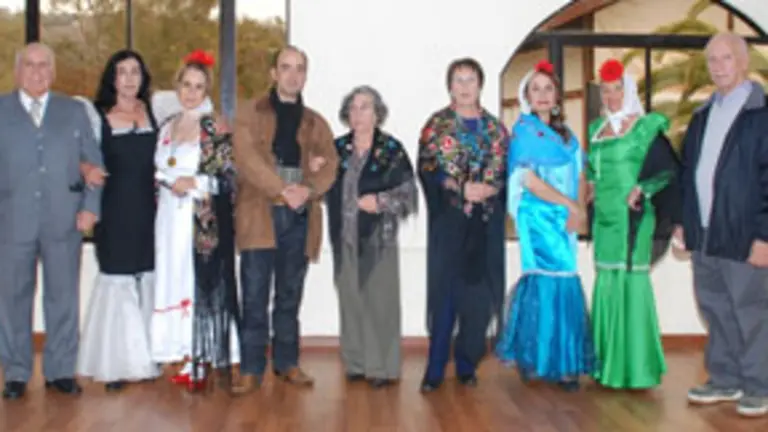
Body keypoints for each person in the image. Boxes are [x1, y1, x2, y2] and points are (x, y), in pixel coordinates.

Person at [0, 43, 104, 400]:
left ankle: (60, 370)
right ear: (18, 70)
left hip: (65, 221)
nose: (37, 71)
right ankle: (15, 372)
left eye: (45, 65)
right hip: (12, 224)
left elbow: (94, 161)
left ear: (54, 71)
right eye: (30, 65)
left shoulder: (73, 112)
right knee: (13, 300)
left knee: (63, 298)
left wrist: (91, 207)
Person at [233, 45, 339, 392]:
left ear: (305, 75)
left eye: (300, 68)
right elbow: (246, 159)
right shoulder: (249, 113)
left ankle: (287, 362)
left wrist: (306, 190)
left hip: (300, 216)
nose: (293, 75)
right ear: (273, 73)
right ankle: (250, 368)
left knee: (290, 294)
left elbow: (331, 165)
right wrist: (283, 188)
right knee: (254, 294)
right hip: (260, 214)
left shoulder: (316, 122)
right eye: (286, 67)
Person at [676, 33, 768, 417]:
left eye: (726, 58)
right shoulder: (701, 116)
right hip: (706, 233)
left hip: (745, 235)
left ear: (743, 61)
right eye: (712, 59)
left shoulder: (761, 115)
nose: (718, 66)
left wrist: (764, 236)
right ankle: (725, 378)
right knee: (714, 307)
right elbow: (688, 174)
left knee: (751, 310)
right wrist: (684, 224)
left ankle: (760, 385)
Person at [495, 60, 595, 391]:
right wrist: (569, 205)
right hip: (538, 215)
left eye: (548, 88)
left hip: (565, 216)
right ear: (526, 95)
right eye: (535, 89)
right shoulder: (524, 132)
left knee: (565, 279)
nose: (542, 94)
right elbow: (528, 180)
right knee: (545, 279)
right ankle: (538, 359)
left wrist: (579, 208)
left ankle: (561, 360)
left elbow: (581, 174)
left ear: (556, 97)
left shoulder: (568, 137)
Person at [586, 58, 680, 390]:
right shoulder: (595, 131)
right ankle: (607, 366)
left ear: (629, 91)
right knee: (608, 281)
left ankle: (636, 369)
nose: (611, 97)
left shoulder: (646, 127)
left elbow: (668, 169)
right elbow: (593, 175)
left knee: (632, 282)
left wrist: (643, 188)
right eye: (606, 91)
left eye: (617, 90)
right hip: (605, 220)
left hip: (634, 217)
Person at [150, 50, 240, 393]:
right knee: (173, 279)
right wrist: (166, 180)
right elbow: (157, 169)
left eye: (198, 87)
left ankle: (201, 357)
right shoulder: (168, 127)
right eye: (186, 85)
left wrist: (195, 184)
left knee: (196, 283)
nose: (191, 92)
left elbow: (228, 176)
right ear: (177, 87)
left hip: (199, 219)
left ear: (207, 91)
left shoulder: (213, 126)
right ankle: (183, 354)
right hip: (168, 218)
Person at [417, 57, 507, 392]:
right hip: (450, 227)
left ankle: (468, 364)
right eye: (459, 80)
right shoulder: (436, 126)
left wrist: (491, 189)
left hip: (485, 228)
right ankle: (435, 369)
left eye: (471, 79)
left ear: (480, 85)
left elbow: (507, 174)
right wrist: (458, 188)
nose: (465, 86)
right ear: (450, 86)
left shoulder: (497, 129)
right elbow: (427, 168)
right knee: (445, 299)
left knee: (478, 301)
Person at [76, 50, 161, 392]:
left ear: (143, 78)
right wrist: (85, 170)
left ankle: (146, 360)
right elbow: (80, 156)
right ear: (112, 78)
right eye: (122, 72)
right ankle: (116, 364)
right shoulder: (96, 117)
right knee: (118, 281)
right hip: (115, 210)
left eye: (135, 72)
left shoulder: (155, 112)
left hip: (150, 211)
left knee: (146, 279)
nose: (129, 79)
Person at [325, 86, 418, 389]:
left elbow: (409, 194)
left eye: (365, 107)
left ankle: (382, 367)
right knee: (350, 299)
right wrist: (316, 170)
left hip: (379, 237)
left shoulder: (391, 149)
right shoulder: (336, 149)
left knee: (381, 302)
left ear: (377, 113)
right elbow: (320, 184)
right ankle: (356, 363)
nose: (358, 113)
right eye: (352, 108)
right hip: (344, 236)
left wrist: (380, 202)